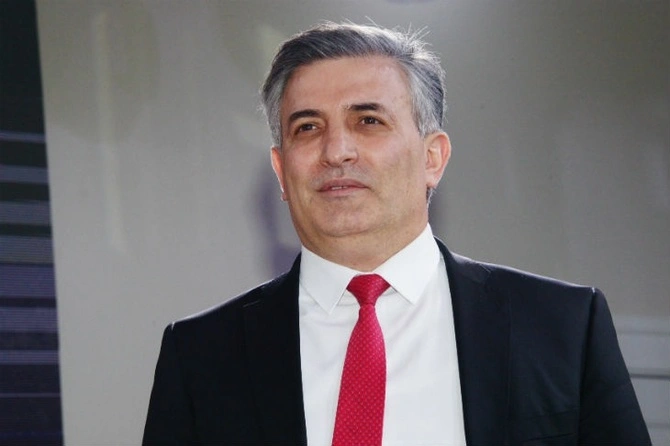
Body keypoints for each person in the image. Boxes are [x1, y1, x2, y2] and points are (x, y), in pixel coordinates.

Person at [143, 22, 650, 445]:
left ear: (433, 157)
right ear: (281, 169)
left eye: (368, 120)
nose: (337, 151)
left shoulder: (562, 327)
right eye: (308, 127)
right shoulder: (201, 355)